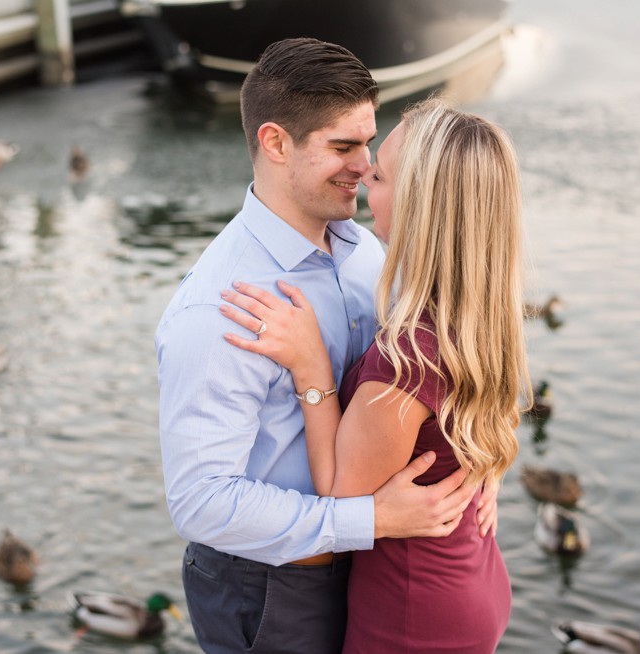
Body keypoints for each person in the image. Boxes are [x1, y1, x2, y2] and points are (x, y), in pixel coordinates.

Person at [155, 39, 498, 654]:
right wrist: (371, 520)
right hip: (273, 589)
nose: (365, 167)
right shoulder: (221, 308)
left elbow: (445, 366)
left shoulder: (369, 253)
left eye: (369, 144)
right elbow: (201, 503)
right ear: (276, 143)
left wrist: (475, 462)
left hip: (373, 568)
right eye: (343, 147)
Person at [220, 97, 528, 653]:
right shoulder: (482, 312)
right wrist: (487, 469)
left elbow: (341, 494)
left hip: (415, 609)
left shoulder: (408, 357)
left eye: (380, 174)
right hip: (474, 566)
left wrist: (311, 368)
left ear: (420, 204)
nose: (363, 179)